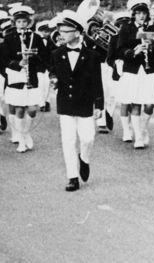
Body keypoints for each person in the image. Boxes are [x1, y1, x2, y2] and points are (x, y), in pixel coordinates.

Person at [49, 11, 104, 192]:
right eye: (60, 31)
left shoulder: (92, 56)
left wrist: (99, 105)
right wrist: (54, 78)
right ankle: (72, 176)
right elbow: (53, 71)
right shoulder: (57, 53)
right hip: (65, 104)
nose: (61, 34)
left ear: (77, 32)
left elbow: (97, 81)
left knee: (88, 138)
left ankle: (85, 159)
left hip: (85, 103)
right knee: (68, 140)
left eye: (66, 31)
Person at [0, 5, 48, 153]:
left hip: (31, 76)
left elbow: (44, 57)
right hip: (16, 78)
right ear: (14, 23)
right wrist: (17, 64)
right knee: (19, 109)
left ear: (28, 22)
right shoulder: (9, 38)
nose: (21, 24)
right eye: (18, 22)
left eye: (24, 21)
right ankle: (20, 138)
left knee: (32, 109)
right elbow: (4, 59)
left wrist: (33, 57)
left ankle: (26, 133)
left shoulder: (36, 37)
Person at [114, 0, 154, 148]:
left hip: (148, 71)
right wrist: (133, 52)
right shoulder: (126, 29)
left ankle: (142, 129)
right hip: (133, 70)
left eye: (144, 13)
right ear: (133, 14)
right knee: (135, 103)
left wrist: (152, 48)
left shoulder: (152, 29)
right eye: (138, 13)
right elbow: (120, 50)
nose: (141, 16)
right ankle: (138, 137)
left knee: (149, 104)